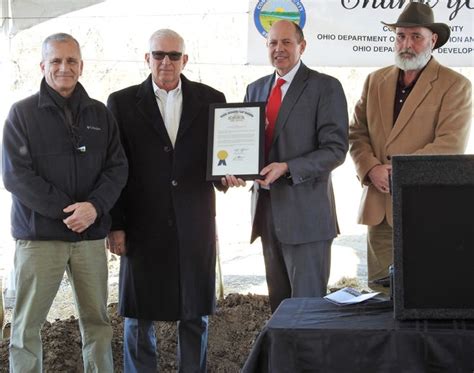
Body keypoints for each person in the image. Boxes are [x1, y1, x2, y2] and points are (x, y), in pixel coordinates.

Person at [2, 33, 128, 372]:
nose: (64, 67)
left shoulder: (100, 114)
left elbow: (118, 168)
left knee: (98, 324)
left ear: (81, 66)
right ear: (43, 65)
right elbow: (16, 175)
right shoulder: (22, 114)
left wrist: (94, 207)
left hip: (89, 239)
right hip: (40, 238)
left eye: (71, 61)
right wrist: (68, 211)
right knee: (27, 327)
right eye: (56, 61)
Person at [106, 29, 226, 372]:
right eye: (159, 55)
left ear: (185, 60)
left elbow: (220, 158)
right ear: (147, 59)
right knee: (138, 317)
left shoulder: (211, 98)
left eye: (174, 55)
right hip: (141, 227)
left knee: (195, 315)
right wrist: (115, 225)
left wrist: (228, 175)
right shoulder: (122, 102)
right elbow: (114, 168)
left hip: (194, 224)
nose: (166, 62)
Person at [224, 20, 348, 313]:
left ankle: (310, 362)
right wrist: (233, 168)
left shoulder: (325, 87)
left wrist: (288, 167)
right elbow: (246, 146)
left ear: (302, 46)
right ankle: (284, 361)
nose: (279, 49)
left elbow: (335, 150)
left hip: (307, 218)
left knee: (308, 312)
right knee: (280, 309)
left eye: (286, 43)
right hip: (267, 214)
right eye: (272, 43)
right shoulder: (255, 90)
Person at [349, 2, 472, 292]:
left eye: (416, 36)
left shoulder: (456, 85)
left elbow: (449, 145)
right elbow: (356, 132)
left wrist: (398, 172)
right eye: (401, 36)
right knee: (381, 297)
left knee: (424, 292)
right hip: (379, 208)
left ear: (433, 40)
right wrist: (371, 168)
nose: (407, 44)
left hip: (425, 208)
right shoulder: (374, 80)